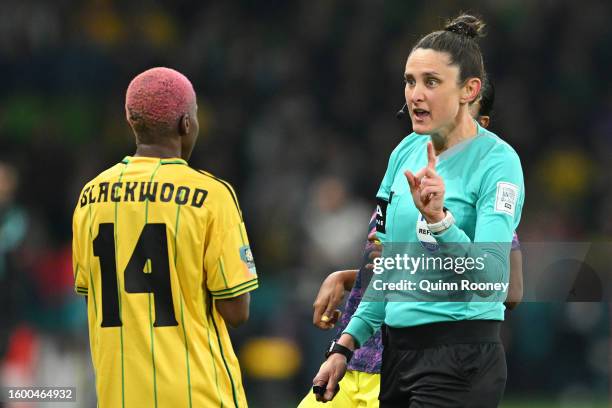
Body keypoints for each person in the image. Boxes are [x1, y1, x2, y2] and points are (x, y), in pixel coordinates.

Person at [312, 14, 524, 407]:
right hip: (396, 356)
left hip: (461, 358)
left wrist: (440, 221)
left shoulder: (499, 162)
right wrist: (344, 347)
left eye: (431, 82)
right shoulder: (405, 152)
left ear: (469, 90)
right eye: (410, 81)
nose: (415, 95)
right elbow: (391, 268)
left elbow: (495, 278)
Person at [72, 67, 258, 407]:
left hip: (120, 396)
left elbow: (93, 298)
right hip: (197, 394)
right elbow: (236, 310)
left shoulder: (90, 196)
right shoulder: (211, 195)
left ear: (132, 122)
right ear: (185, 123)